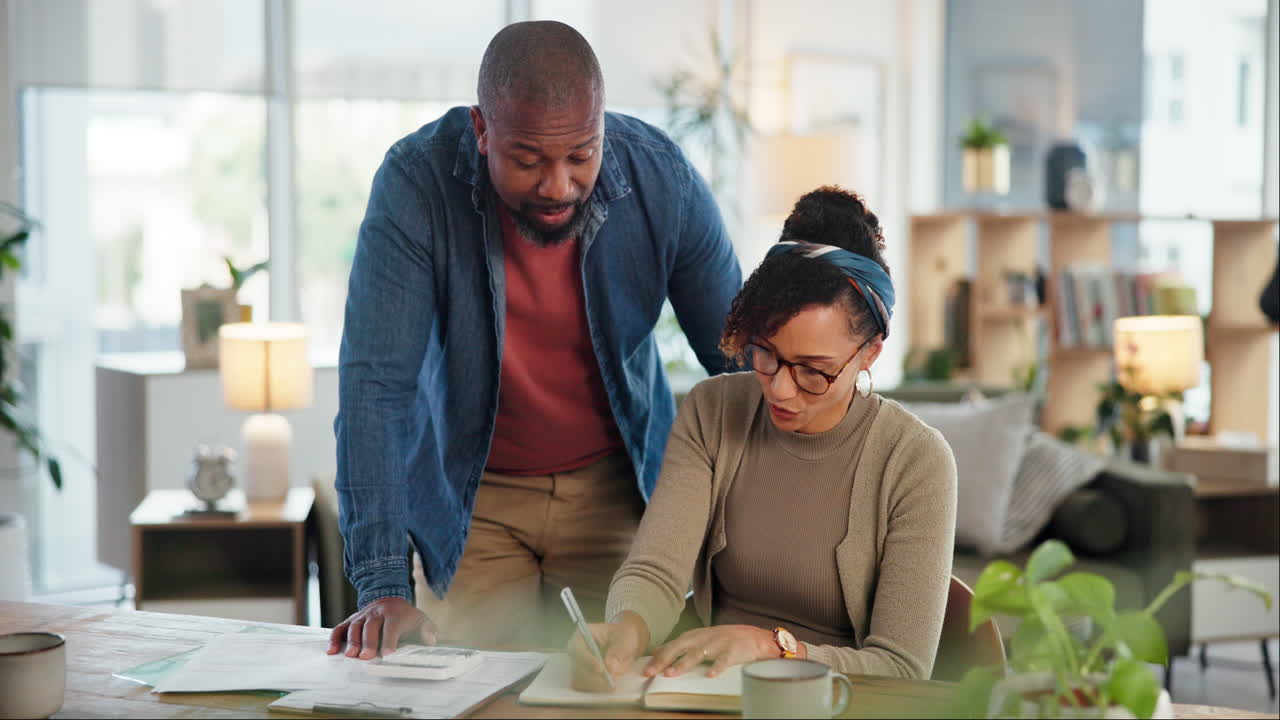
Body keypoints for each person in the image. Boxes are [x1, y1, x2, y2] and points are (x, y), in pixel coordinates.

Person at [328, 21, 741, 659]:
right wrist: (382, 583)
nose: (557, 185)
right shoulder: (416, 184)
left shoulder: (663, 180)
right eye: (526, 159)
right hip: (475, 499)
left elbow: (738, 363)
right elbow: (374, 387)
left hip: (616, 488)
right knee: (467, 689)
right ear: (481, 129)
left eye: (581, 154)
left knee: (617, 688)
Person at [569, 187, 957, 685]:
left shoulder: (916, 461)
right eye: (765, 353)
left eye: (814, 372)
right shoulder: (712, 410)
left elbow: (901, 668)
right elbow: (656, 570)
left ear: (869, 353)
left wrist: (773, 647)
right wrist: (630, 627)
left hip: (836, 703)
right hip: (710, 692)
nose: (779, 388)